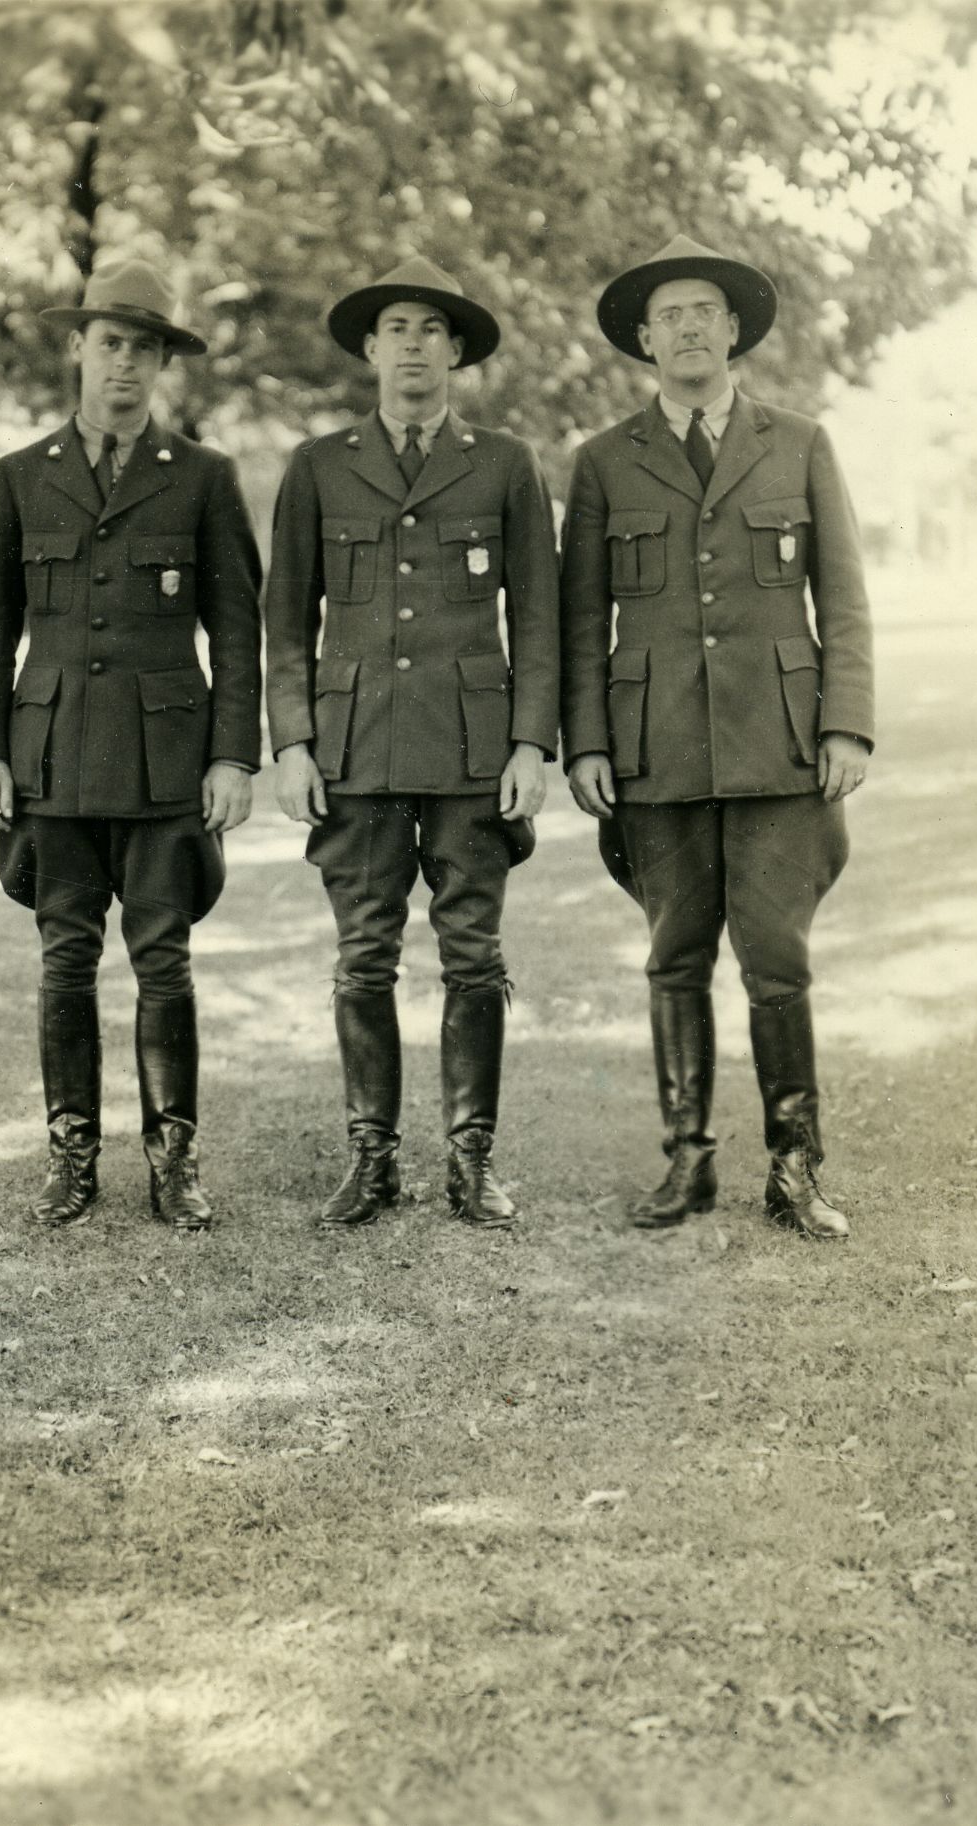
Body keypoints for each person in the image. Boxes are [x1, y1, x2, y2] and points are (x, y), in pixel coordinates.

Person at [558, 234, 873, 1240]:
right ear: (642, 340)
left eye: (703, 311)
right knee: (672, 954)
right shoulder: (604, 461)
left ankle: (793, 1167)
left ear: (732, 331)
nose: (686, 328)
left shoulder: (798, 442)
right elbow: (577, 624)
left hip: (778, 745)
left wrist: (846, 725)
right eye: (668, 315)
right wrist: (589, 743)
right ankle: (685, 1162)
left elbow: (845, 602)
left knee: (775, 958)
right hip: (655, 748)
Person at [262, 255, 560, 1231]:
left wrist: (529, 744)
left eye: (431, 331)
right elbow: (284, 621)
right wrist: (294, 740)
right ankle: (371, 1157)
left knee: (472, 956)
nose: (413, 349)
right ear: (368, 348)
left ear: (456, 352)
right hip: (353, 752)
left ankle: (470, 1160)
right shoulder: (317, 465)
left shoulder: (503, 463)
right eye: (395, 329)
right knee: (362, 958)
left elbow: (540, 621)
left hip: (472, 753)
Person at [0, 259, 264, 1230]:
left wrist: (230, 754)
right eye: (108, 345)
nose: (124, 366)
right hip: (47, 755)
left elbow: (235, 628)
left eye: (143, 349)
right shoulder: (18, 478)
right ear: (76, 350)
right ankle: (70, 1154)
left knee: (162, 960)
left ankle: (171, 1159)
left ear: (163, 364)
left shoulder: (205, 478)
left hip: (163, 759)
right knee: (62, 962)